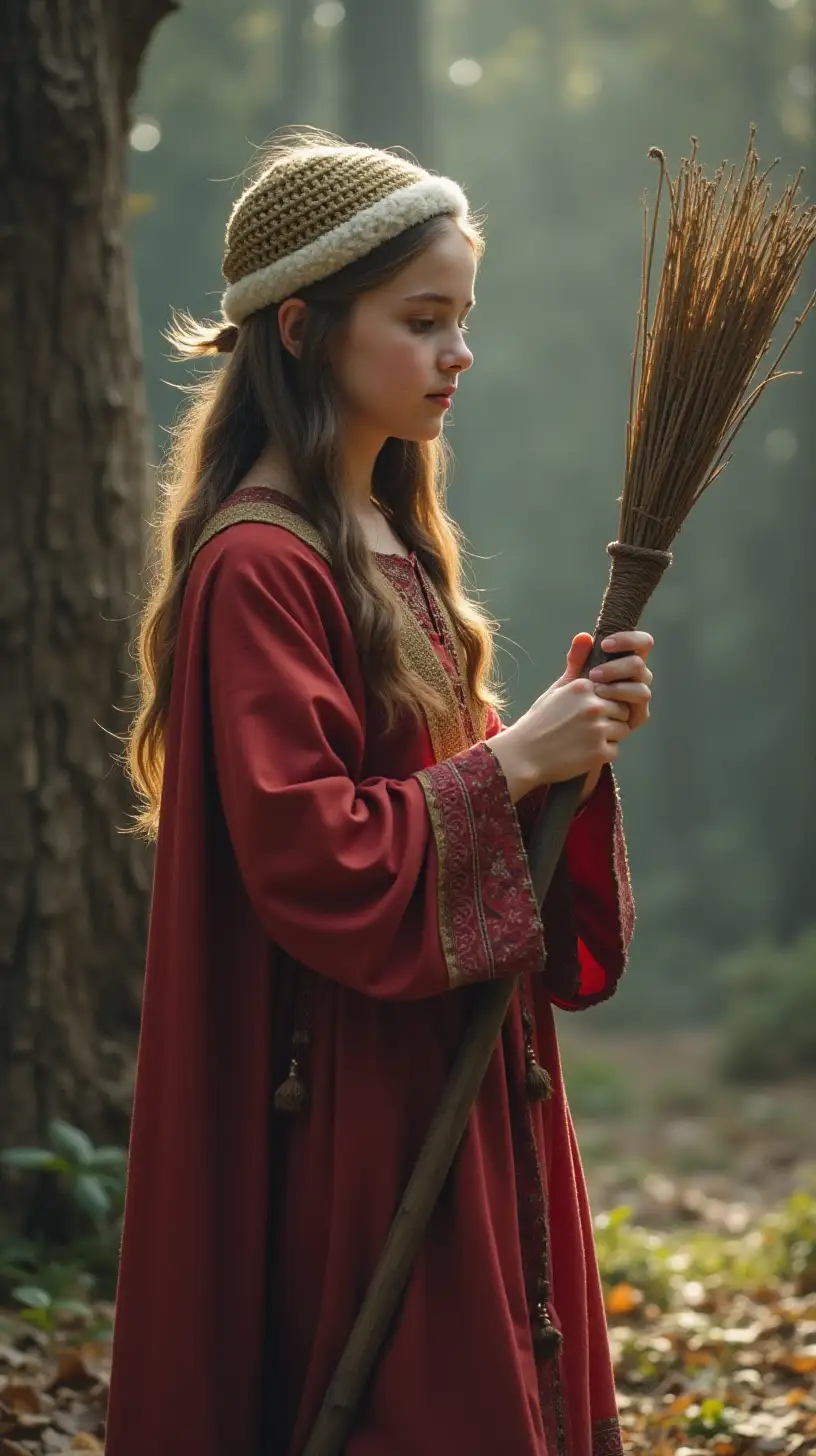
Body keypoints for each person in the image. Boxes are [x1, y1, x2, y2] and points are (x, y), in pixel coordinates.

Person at [105, 129, 654, 1456]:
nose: (457, 353)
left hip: (451, 1058)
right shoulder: (260, 564)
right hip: (350, 1087)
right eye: (423, 321)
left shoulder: (395, 542)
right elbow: (315, 850)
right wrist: (516, 759)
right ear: (301, 328)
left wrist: (560, 750)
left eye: (462, 319)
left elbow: (438, 794)